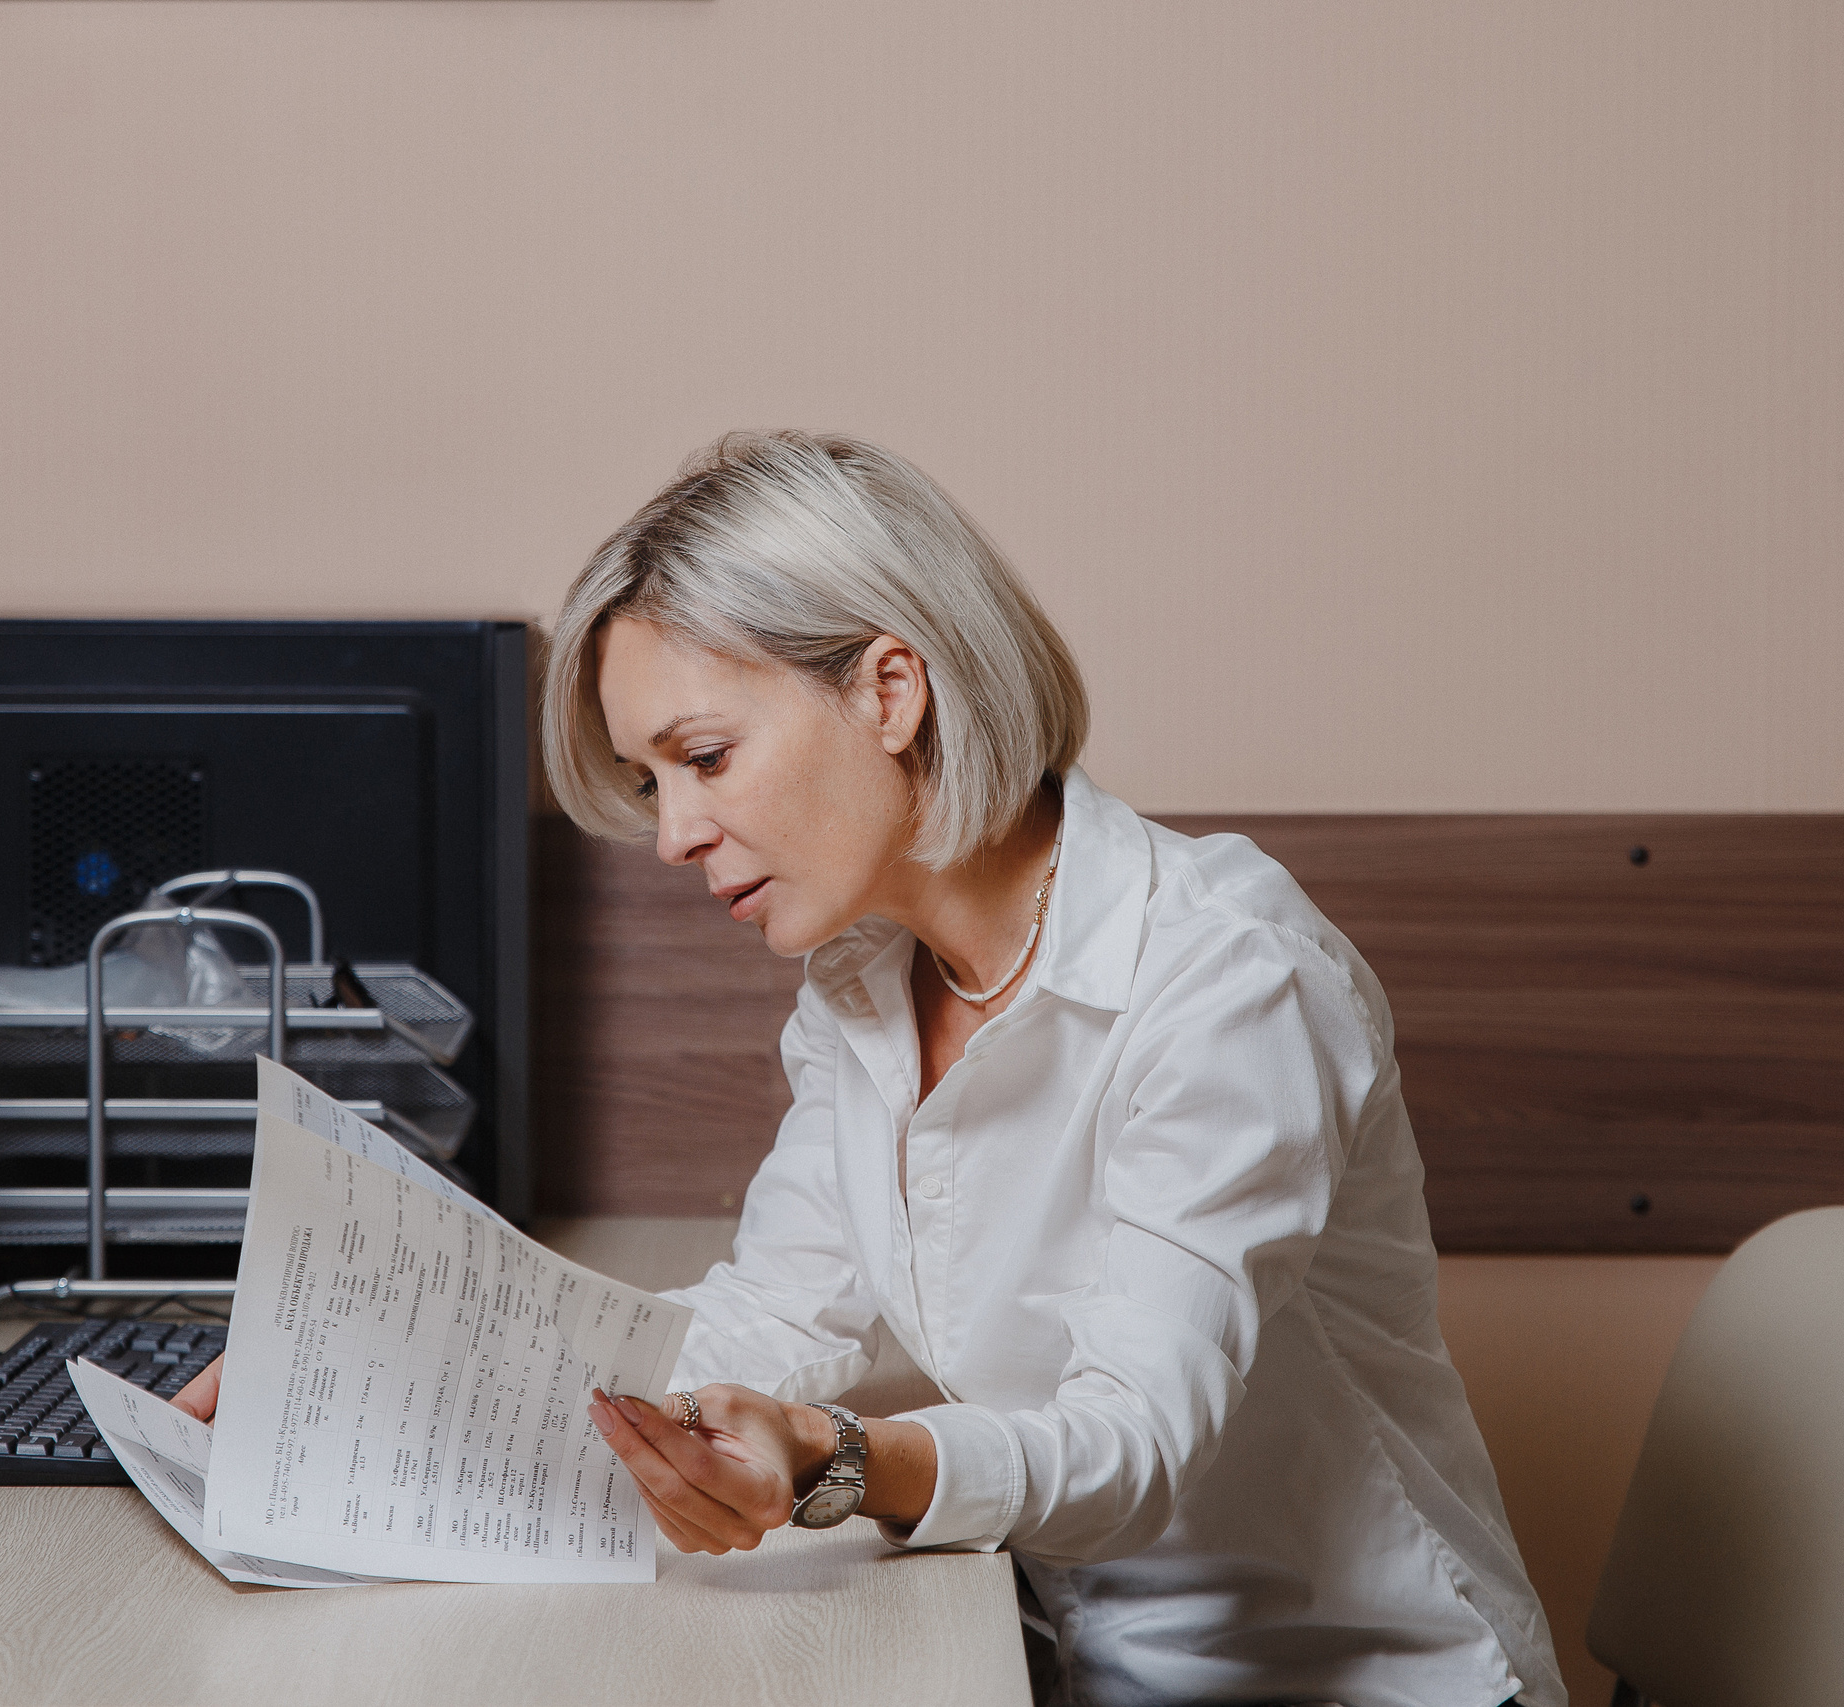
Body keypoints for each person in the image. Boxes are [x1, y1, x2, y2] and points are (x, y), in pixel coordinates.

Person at [533, 432, 1562, 1706]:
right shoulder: (861, 986)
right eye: (649, 782)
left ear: (890, 692)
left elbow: (1132, 1449)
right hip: (1076, 1661)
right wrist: (376, 1387)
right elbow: (777, 1312)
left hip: (1346, 1683)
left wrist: (832, 1459)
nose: (674, 835)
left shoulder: (1226, 977)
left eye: (702, 757)